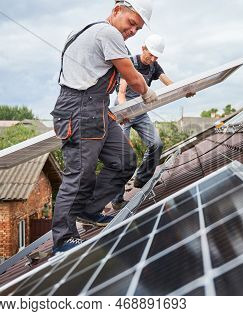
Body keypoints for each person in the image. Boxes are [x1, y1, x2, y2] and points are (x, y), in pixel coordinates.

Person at [50, 0, 158, 254]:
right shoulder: (107, 33)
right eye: (131, 23)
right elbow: (130, 74)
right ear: (117, 9)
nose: (132, 31)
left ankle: (90, 210)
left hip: (97, 108)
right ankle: (63, 238)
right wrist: (146, 91)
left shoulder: (88, 33)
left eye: (137, 29)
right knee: (80, 174)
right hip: (79, 108)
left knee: (124, 160)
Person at [111, 34, 195, 210]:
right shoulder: (130, 63)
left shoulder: (154, 66)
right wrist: (124, 112)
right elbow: (121, 93)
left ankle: (142, 178)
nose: (153, 59)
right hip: (123, 112)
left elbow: (168, 82)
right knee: (123, 156)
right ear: (143, 48)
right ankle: (117, 199)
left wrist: (184, 90)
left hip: (141, 113)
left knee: (157, 144)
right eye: (151, 54)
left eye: (156, 56)